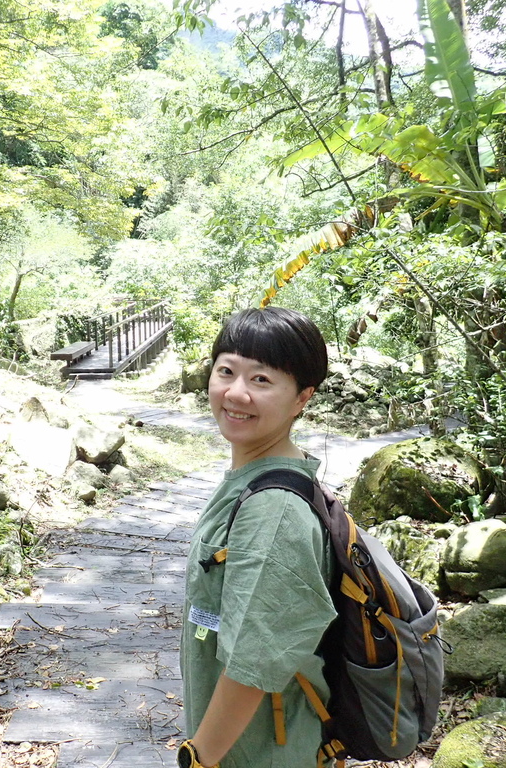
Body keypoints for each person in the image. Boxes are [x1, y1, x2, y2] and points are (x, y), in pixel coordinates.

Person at [177, 307, 334, 768]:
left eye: (261, 379)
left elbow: (253, 663)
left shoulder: (274, 509)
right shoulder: (254, 477)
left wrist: (199, 758)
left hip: (260, 751)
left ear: (302, 397)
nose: (236, 392)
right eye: (226, 371)